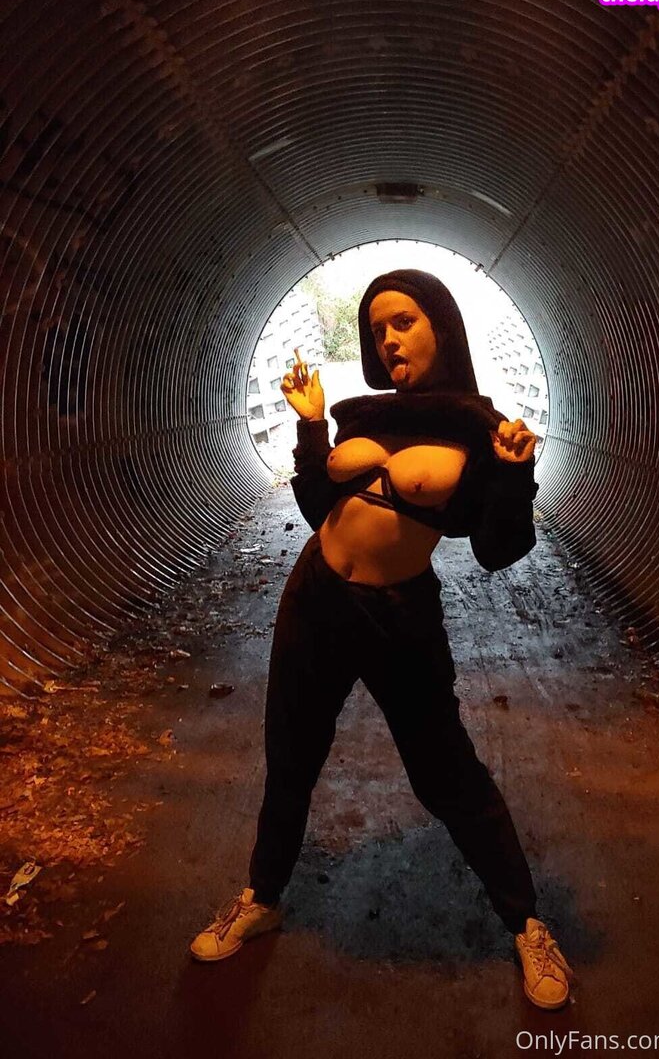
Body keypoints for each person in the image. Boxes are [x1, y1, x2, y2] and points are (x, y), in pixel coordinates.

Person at [189, 270, 572, 1009]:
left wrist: (516, 475)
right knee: (291, 758)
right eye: (377, 330)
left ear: (442, 327)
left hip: (399, 617)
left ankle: (526, 924)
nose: (389, 340)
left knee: (447, 775)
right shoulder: (361, 415)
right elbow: (318, 507)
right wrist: (310, 427)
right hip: (314, 599)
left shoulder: (480, 429)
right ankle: (261, 898)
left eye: (403, 322)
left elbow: (498, 548)